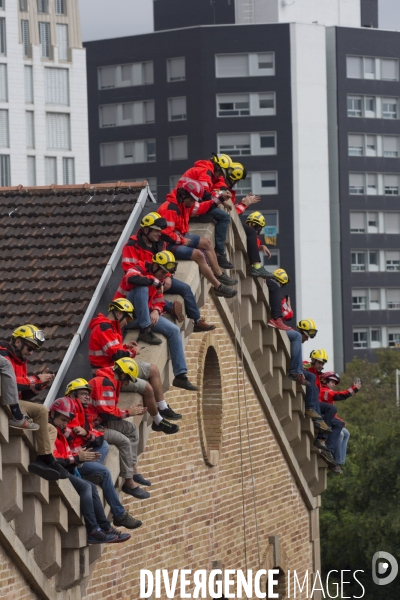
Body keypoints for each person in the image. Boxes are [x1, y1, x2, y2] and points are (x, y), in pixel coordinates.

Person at [49, 397, 139, 543]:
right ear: (52, 414)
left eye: (67, 421)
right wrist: (77, 458)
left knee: (92, 487)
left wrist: (78, 456)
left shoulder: (59, 430)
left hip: (68, 467)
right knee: (87, 486)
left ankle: (105, 527)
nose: (64, 424)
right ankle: (94, 530)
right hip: (56, 470)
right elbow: (53, 459)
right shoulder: (51, 430)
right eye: (62, 419)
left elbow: (94, 441)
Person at [88, 358, 178, 493]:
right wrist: (128, 412)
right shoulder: (105, 383)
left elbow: (107, 410)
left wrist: (129, 411)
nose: (128, 384)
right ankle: (129, 482)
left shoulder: (111, 381)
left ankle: (133, 468)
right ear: (123, 374)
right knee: (123, 441)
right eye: (128, 379)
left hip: (100, 421)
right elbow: (107, 414)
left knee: (131, 429)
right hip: (94, 426)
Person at [115, 251, 198, 392]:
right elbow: (132, 278)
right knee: (141, 288)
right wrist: (152, 281)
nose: (163, 275)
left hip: (144, 316)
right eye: (162, 271)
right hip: (124, 317)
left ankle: (180, 375)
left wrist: (156, 311)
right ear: (155, 265)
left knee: (174, 330)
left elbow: (159, 301)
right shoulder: (138, 268)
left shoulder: (160, 280)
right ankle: (145, 330)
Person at [121, 212, 216, 332]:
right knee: (152, 296)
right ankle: (169, 307)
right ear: (146, 230)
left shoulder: (160, 243)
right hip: (144, 283)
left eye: (160, 231)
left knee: (185, 288)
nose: (159, 234)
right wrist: (154, 281)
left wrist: (169, 276)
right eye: (156, 231)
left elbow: (167, 262)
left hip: (160, 278)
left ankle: (197, 321)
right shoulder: (131, 246)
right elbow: (130, 271)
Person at [89, 297, 181, 419]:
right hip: (111, 372)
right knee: (147, 388)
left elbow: (111, 349)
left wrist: (125, 346)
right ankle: (158, 421)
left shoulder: (109, 327)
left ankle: (163, 407)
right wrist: (132, 352)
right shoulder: (104, 328)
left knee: (153, 369)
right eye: (126, 318)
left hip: (117, 366)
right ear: (119, 313)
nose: (126, 323)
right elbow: (115, 355)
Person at [0, 325, 69, 481]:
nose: (31, 353)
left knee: (51, 429)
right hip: (4, 402)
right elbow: (10, 383)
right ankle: (48, 459)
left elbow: (21, 393)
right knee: (41, 411)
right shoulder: (3, 353)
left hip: (14, 403)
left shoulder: (20, 360)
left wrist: (38, 387)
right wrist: (35, 379)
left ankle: (41, 460)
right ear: (18, 342)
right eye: (29, 348)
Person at [158, 179, 238, 299]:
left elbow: (202, 208)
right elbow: (165, 234)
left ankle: (219, 274)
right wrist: (182, 241)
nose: (192, 203)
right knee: (198, 255)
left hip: (179, 237)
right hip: (168, 244)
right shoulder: (170, 208)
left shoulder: (184, 204)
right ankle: (218, 287)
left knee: (207, 243)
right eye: (191, 199)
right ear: (183, 194)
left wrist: (220, 199)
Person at [178, 153, 235, 269]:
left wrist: (219, 197)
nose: (219, 176)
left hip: (186, 202)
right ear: (218, 167)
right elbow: (205, 196)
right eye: (220, 173)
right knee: (224, 217)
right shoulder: (206, 172)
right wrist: (221, 199)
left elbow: (208, 192)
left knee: (214, 211)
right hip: (189, 204)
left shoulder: (202, 169)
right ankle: (219, 253)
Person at [304, 349, 342, 467]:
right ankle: (321, 438)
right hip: (311, 403)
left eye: (322, 364)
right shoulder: (309, 368)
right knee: (331, 409)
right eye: (319, 362)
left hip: (317, 405)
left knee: (338, 424)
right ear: (314, 360)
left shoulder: (319, 377)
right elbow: (303, 364)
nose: (321, 366)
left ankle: (328, 451)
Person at [320, 372, 361, 473]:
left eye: (335, 382)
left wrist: (339, 420)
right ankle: (332, 457)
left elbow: (332, 414)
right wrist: (354, 389)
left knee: (346, 433)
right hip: (322, 418)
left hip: (327, 417)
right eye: (332, 382)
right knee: (341, 434)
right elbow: (340, 395)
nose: (334, 384)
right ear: (325, 381)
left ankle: (339, 461)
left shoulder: (327, 392)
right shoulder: (324, 391)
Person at [243, 212, 274, 279]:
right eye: (257, 227)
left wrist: (261, 246)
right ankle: (257, 266)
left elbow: (253, 245)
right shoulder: (251, 231)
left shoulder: (255, 237)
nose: (257, 230)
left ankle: (258, 268)